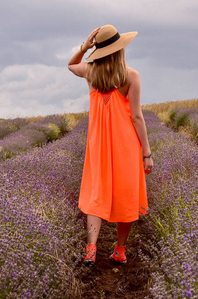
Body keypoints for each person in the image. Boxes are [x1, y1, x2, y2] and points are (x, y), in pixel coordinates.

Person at [68, 24, 153, 268]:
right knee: (126, 195)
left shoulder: (90, 72)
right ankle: (119, 251)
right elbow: (137, 117)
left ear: (99, 51)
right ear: (120, 49)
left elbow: (71, 65)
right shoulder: (131, 76)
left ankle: (91, 249)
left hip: (98, 146)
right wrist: (147, 153)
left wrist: (84, 48)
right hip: (126, 146)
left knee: (97, 192)